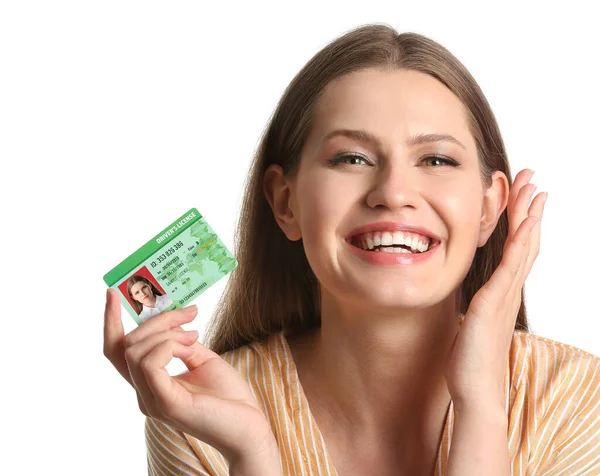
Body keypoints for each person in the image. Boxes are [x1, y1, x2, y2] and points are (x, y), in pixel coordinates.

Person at [104, 24, 600, 476]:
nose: (393, 191)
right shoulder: (200, 412)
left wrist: (482, 403)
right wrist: (250, 452)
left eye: (436, 158)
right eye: (352, 158)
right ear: (286, 202)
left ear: (490, 208)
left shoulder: (573, 397)